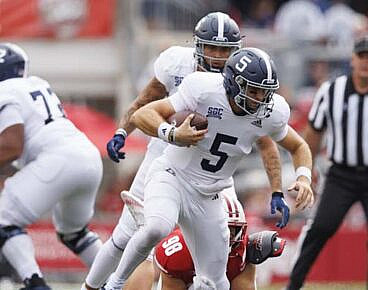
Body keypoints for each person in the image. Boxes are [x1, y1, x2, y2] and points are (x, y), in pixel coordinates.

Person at [82, 12, 285, 290]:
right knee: (128, 234)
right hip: (166, 157)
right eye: (212, 48)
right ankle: (92, 287)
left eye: (225, 50)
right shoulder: (177, 63)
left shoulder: (244, 83)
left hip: (213, 171)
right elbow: (145, 102)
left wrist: (277, 189)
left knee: (230, 236)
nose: (217, 57)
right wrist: (123, 131)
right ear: (198, 46)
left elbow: (266, 140)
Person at [103, 47, 314, 290]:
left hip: (209, 194)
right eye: (253, 90)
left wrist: (304, 177)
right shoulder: (204, 89)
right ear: (234, 84)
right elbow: (143, 114)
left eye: (265, 92)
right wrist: (172, 134)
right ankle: (114, 284)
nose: (259, 99)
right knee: (157, 228)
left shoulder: (272, 111)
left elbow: (298, 146)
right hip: (173, 176)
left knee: (215, 284)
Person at [287, 36, 368, 290]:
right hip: (341, 175)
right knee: (320, 228)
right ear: (353, 60)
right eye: (361, 56)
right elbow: (313, 133)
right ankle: (293, 284)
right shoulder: (331, 92)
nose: (365, 62)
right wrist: (307, 172)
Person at [0, 43, 103, 290]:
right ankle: (116, 281)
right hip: (87, 157)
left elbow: (12, 144)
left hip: (58, 161)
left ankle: (34, 283)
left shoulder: (4, 91)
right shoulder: (35, 83)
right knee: (74, 233)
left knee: (3, 219)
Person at [153, 193, 286, 290]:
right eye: (222, 229)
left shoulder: (244, 250)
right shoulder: (179, 251)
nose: (226, 236)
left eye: (233, 229)